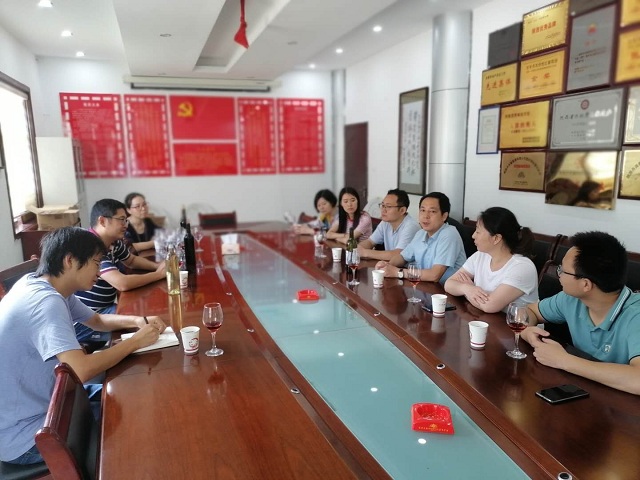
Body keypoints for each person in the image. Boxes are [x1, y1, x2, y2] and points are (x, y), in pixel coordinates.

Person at [0, 227, 166, 465]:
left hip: (53, 402)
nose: (99, 272)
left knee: (129, 396)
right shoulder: (45, 302)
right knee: (133, 430)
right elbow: (80, 370)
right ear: (70, 260)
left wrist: (138, 321)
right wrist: (134, 342)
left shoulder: (41, 284)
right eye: (96, 263)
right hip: (28, 435)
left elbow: (96, 320)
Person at [520, 231, 640, 395]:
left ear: (585, 284)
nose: (559, 274)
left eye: (562, 270)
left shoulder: (635, 315)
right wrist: (527, 331)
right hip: (584, 391)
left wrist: (564, 361)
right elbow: (530, 311)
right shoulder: (571, 299)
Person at [75, 199, 165, 341]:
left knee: (146, 315)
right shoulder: (91, 246)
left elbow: (131, 260)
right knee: (147, 321)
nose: (125, 225)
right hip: (88, 320)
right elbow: (122, 283)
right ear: (103, 221)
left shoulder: (113, 241)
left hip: (106, 309)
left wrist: (157, 266)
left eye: (126, 220)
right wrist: (159, 274)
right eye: (121, 220)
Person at [444, 207, 538, 313]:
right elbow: (449, 284)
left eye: (478, 231)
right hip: (484, 318)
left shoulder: (522, 267)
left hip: (514, 323)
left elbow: (489, 306)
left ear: (496, 238)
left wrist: (468, 289)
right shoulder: (481, 255)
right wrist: (467, 289)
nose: (473, 235)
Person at [375, 192, 466, 284]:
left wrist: (398, 272)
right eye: (422, 210)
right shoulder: (421, 233)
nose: (426, 216)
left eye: (432, 211)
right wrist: (387, 266)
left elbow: (434, 275)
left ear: (444, 216)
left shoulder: (449, 234)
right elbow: (402, 257)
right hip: (426, 287)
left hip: (447, 291)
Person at [357, 188, 420, 261]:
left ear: (402, 210)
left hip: (408, 267)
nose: (383, 210)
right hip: (390, 265)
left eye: (388, 206)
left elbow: (398, 254)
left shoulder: (411, 226)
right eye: (383, 205)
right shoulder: (385, 222)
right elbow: (370, 242)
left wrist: (365, 253)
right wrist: (355, 249)